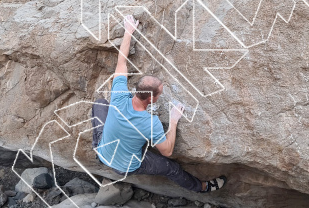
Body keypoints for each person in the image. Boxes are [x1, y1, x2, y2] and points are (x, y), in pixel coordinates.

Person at [91, 15, 226, 193]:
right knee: (171, 168)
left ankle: (99, 147)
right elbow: (167, 151)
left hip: (104, 152)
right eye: (160, 92)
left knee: (100, 104)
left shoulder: (119, 95)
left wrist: (128, 31)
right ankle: (202, 186)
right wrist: (173, 121)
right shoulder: (150, 123)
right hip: (125, 166)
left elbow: (121, 61)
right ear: (151, 99)